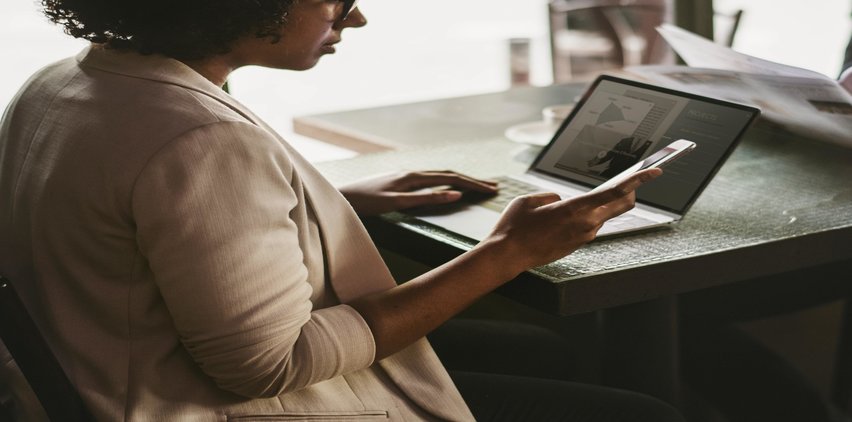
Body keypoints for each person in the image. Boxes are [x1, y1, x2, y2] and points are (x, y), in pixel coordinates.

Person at [0, 0, 682, 421]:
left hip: (100, 375)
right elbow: (272, 367)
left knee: (538, 353)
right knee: (641, 415)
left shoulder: (68, 82)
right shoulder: (201, 137)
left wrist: (323, 201)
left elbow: (136, 223)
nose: (354, 16)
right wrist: (509, 252)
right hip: (194, 406)